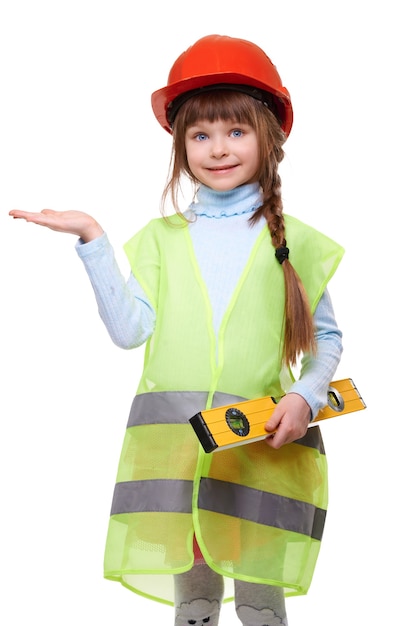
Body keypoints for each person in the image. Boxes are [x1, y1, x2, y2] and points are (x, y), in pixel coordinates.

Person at [10, 34, 344, 626]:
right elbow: (129, 331)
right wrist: (93, 240)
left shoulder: (297, 243)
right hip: (177, 448)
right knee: (194, 600)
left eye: (236, 132)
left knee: (261, 601)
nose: (218, 148)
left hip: (261, 444)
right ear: (180, 145)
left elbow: (327, 341)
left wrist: (304, 395)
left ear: (271, 136)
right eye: (201, 134)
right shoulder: (161, 240)